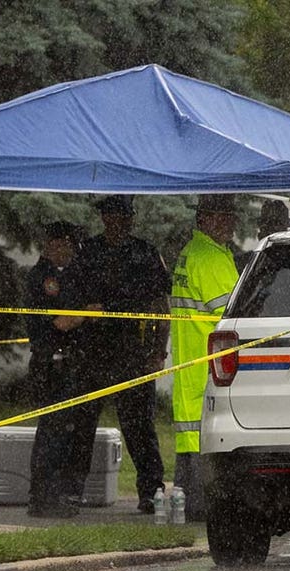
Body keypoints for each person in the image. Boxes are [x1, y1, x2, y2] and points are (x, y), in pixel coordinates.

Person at [66, 194, 171, 513]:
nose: (115, 222)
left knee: (139, 426)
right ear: (103, 219)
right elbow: (75, 303)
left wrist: (158, 352)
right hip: (93, 351)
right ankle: (71, 491)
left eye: (121, 216)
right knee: (81, 422)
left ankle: (150, 491)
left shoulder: (144, 253)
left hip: (133, 351)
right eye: (110, 216)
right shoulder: (88, 253)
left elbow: (160, 308)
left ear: (130, 219)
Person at [171, 194, 241, 521]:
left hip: (192, 362)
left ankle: (189, 506)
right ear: (205, 219)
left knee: (191, 442)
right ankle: (200, 510)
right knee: (204, 443)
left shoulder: (192, 252)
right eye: (222, 217)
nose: (230, 223)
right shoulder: (210, 259)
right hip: (210, 365)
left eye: (231, 216)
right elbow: (235, 314)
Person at [24, 221, 91, 518]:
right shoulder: (40, 278)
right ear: (51, 245)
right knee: (51, 431)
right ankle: (41, 496)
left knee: (69, 432)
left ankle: (64, 494)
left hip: (71, 362)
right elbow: (58, 323)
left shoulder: (74, 276)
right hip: (49, 363)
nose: (67, 251)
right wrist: (85, 315)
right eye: (62, 244)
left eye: (71, 245)